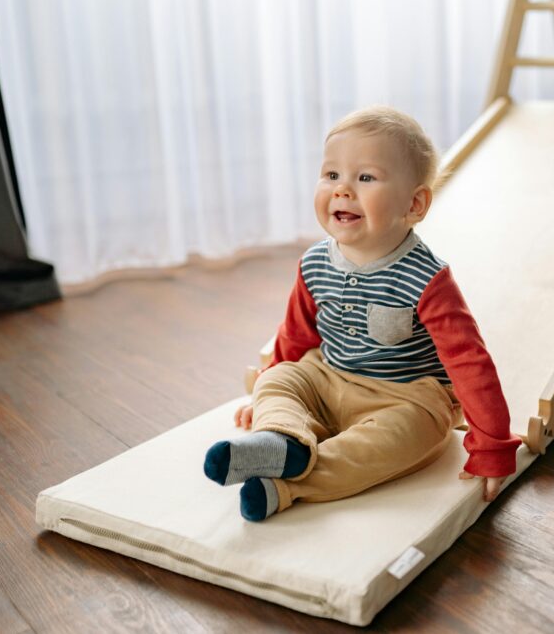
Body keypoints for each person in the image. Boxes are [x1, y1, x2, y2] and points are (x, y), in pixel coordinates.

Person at [203, 105, 521, 521]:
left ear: (414, 204)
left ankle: (284, 485)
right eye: (331, 175)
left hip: (405, 397)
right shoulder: (315, 263)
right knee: (278, 377)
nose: (342, 190)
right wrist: (266, 392)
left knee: (402, 439)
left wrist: (491, 446)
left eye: (365, 177)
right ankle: (282, 437)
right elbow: (296, 336)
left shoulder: (427, 279)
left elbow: (469, 363)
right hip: (327, 375)